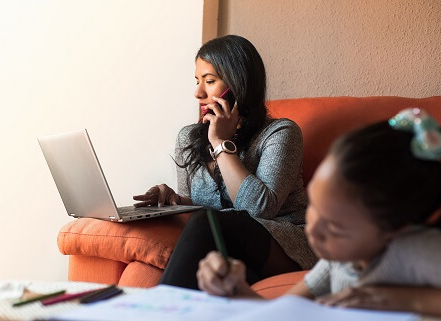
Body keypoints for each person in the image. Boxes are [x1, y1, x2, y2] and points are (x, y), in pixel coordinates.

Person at [197, 108, 441, 320]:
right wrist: (235, 289)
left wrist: (407, 300)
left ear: (398, 228)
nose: (313, 229)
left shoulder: (418, 251)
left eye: (335, 227)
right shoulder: (340, 261)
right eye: (314, 207)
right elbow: (283, 310)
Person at [133, 35, 317, 289]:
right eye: (197, 82)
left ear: (237, 85)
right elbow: (195, 210)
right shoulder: (188, 137)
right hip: (227, 254)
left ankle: (159, 306)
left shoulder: (281, 133)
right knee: (160, 266)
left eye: (209, 81)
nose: (198, 93)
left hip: (283, 250)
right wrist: (174, 200)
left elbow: (258, 209)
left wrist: (221, 144)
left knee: (209, 222)